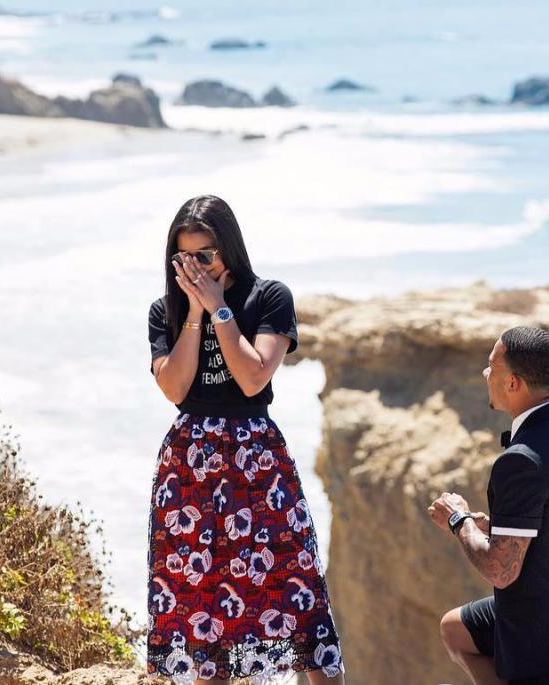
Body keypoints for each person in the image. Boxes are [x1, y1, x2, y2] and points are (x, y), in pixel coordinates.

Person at [145, 195, 345, 685]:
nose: (194, 268)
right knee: (200, 607)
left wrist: (219, 309)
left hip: (257, 460)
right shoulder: (164, 310)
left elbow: (254, 377)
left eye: (205, 256)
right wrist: (194, 311)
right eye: (183, 258)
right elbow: (174, 388)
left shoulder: (269, 297)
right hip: (189, 464)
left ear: (229, 249)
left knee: (298, 595)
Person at [429, 326, 549, 685]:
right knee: (455, 629)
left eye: (492, 367)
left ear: (513, 384)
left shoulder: (521, 460)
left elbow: (501, 571)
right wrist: (499, 525)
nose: (485, 374)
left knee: (458, 632)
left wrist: (459, 520)